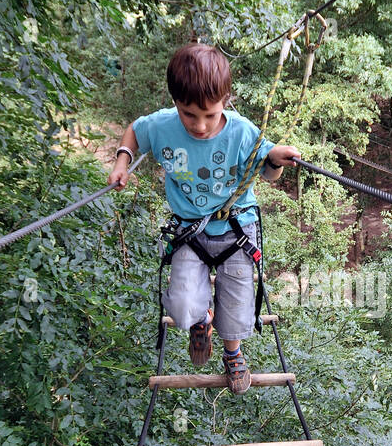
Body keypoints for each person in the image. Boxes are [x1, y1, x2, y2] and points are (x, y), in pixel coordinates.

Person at [108, 43, 300, 393]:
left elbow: (269, 175)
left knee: (239, 314)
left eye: (209, 115)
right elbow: (135, 131)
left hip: (236, 228)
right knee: (181, 310)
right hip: (188, 231)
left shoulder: (241, 132)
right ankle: (200, 321)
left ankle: (233, 353)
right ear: (175, 103)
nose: (199, 125)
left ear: (226, 100)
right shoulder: (164, 126)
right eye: (188, 114)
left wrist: (273, 158)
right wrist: (122, 161)